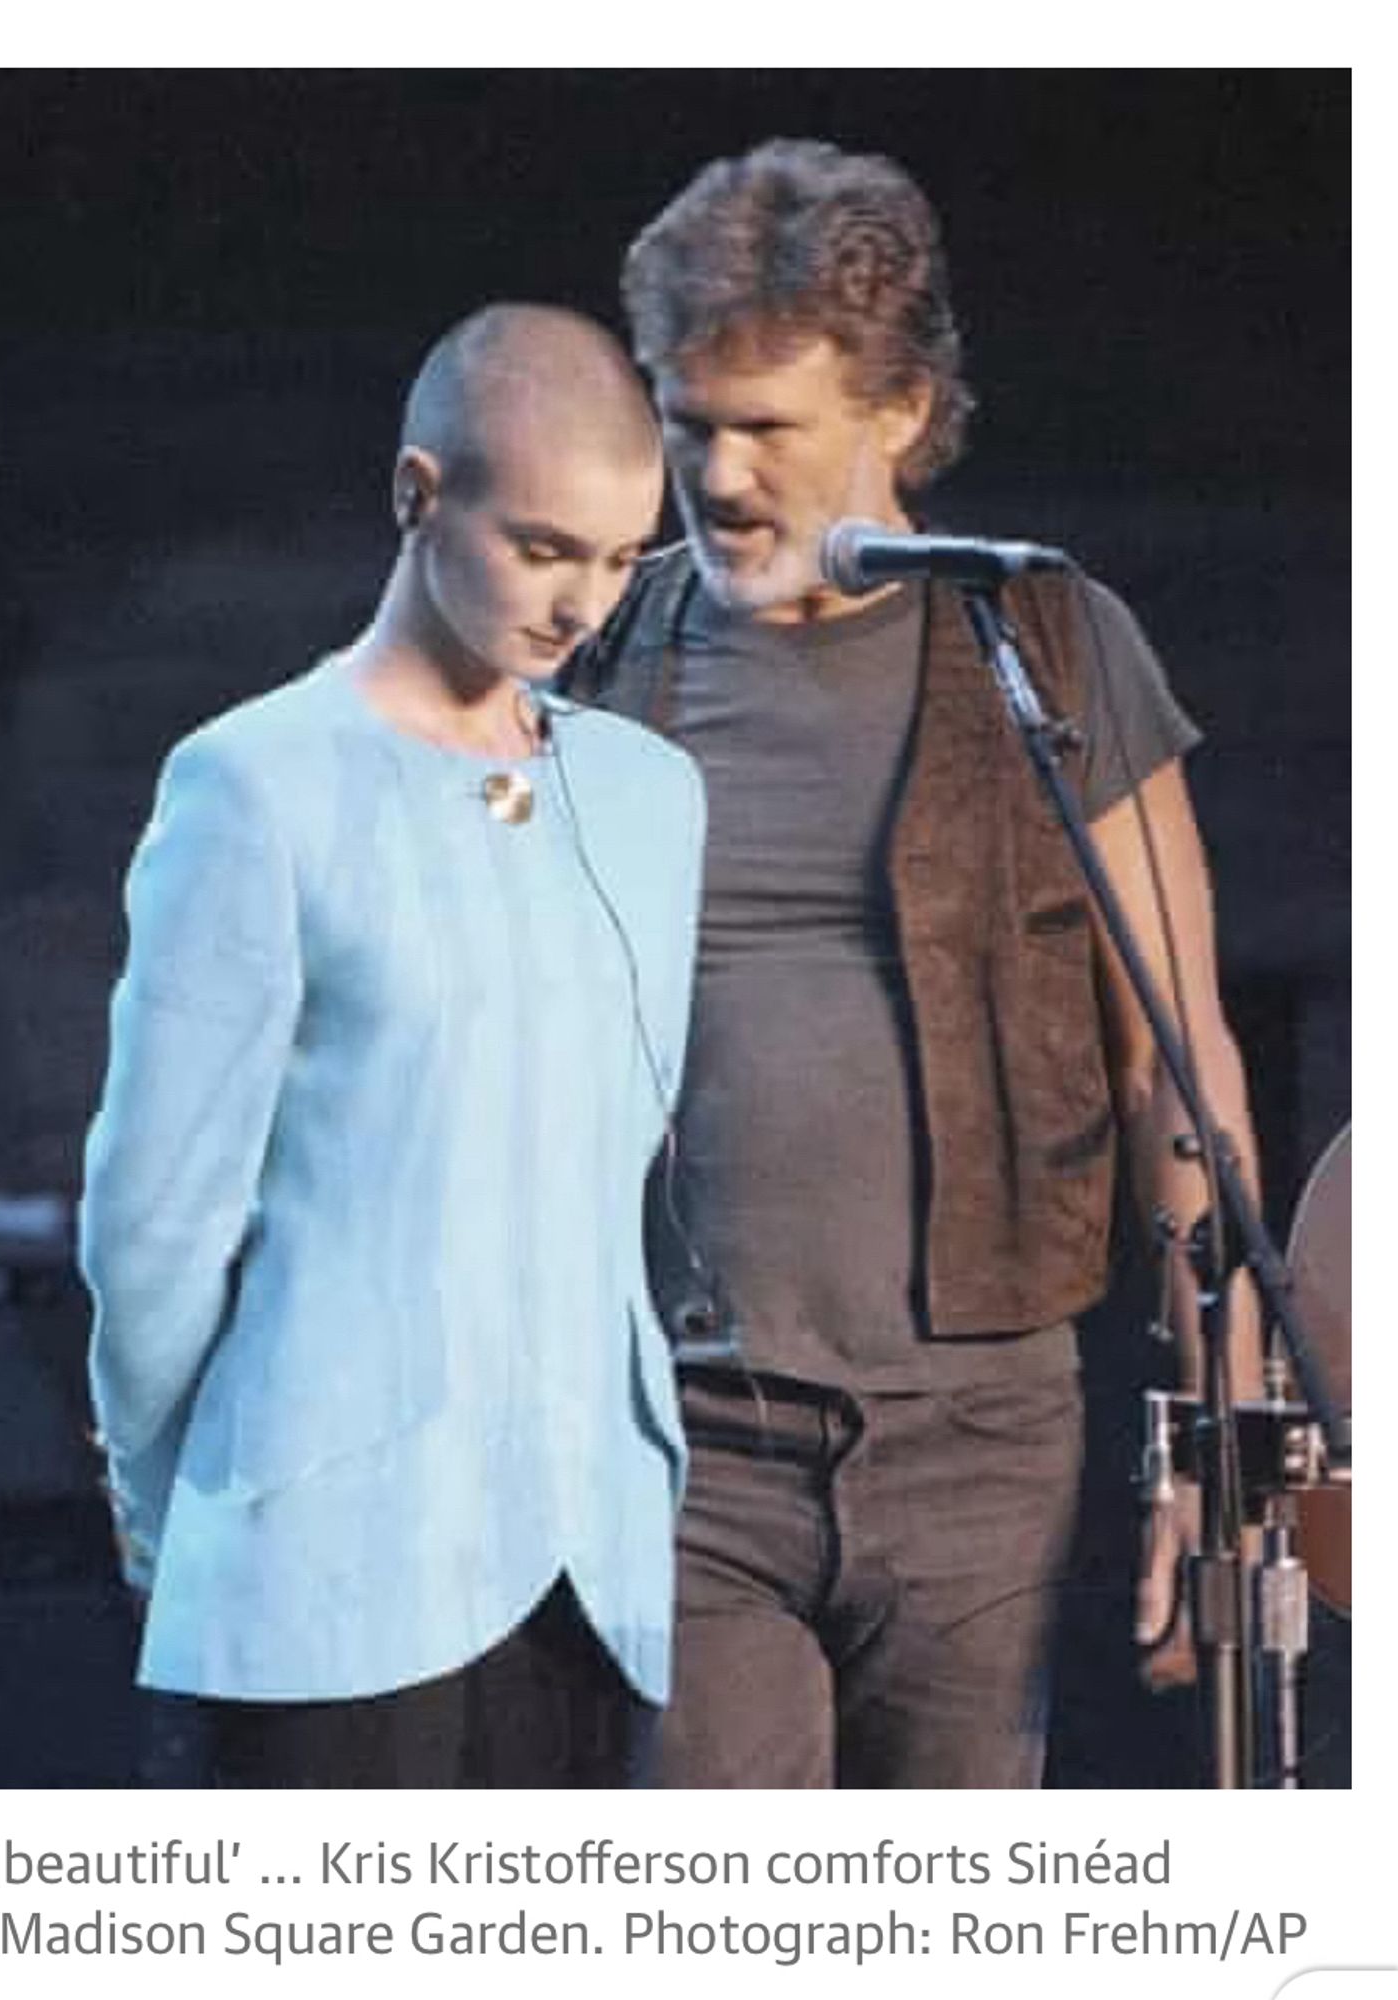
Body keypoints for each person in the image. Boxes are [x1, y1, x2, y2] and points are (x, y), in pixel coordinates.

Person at [562, 139, 1262, 1788]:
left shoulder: (1049, 641)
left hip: (979, 1442)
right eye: (688, 425)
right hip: (681, 1430)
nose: (721, 477)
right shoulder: (604, 656)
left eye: (769, 431)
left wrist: (1217, 1434)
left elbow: (1176, 1051)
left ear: (896, 415)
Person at [79, 303, 705, 1788]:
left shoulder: (648, 798)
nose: (583, 607)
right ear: (421, 494)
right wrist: (166, 1502)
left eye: (621, 560)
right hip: (324, 1560)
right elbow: (158, 1213)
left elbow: (634, 1160)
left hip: (588, 1564)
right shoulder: (256, 782)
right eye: (545, 548)